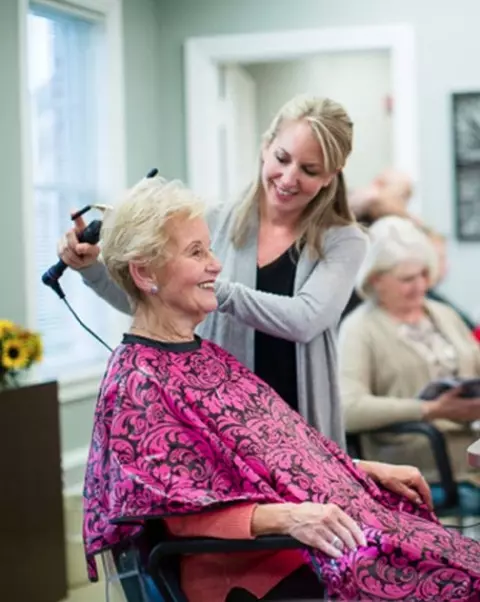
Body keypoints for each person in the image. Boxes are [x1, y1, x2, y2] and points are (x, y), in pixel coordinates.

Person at [83, 177, 480, 602]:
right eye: (196, 252)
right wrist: (290, 517)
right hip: (255, 566)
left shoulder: (204, 356)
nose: (215, 265)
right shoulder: (138, 383)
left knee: (462, 561)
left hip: (311, 539)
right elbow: (179, 512)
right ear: (144, 272)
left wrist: (356, 467)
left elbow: (273, 457)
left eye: (209, 248)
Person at [58, 95, 368, 448]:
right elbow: (156, 301)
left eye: (310, 170)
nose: (288, 178)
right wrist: (91, 270)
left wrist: (209, 288)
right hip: (223, 420)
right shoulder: (212, 223)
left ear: (331, 176)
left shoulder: (344, 241)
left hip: (299, 423)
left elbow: (306, 319)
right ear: (266, 147)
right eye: (282, 158)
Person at [338, 216, 480, 484]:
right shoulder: (359, 329)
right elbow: (348, 409)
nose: (421, 286)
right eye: (407, 279)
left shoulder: (442, 314)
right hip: (420, 470)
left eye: (424, 274)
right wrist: (429, 410)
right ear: (376, 279)